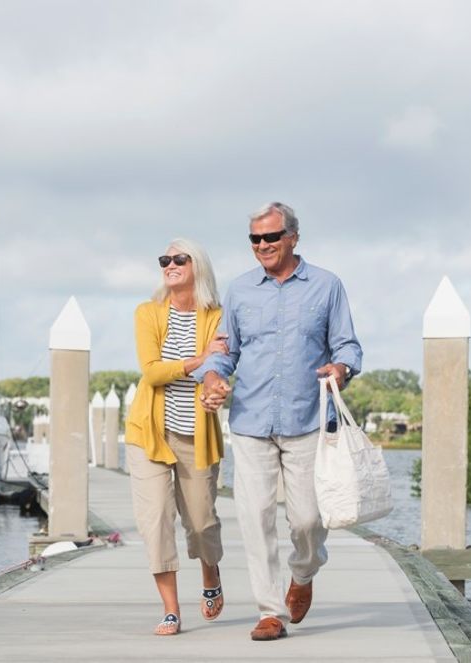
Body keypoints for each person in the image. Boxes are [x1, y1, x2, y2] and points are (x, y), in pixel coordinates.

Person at [194, 202, 362, 641]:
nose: (263, 245)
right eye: (255, 239)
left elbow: (347, 346)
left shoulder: (327, 286)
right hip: (250, 421)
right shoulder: (240, 291)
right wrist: (212, 376)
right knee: (255, 518)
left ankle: (303, 574)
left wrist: (340, 369)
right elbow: (224, 351)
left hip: (307, 419)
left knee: (307, 520)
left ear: (292, 237)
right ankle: (270, 611)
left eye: (271, 237)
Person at [124, 238, 229, 636]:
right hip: (148, 433)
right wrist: (199, 361)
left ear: (197, 267)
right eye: (164, 260)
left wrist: (214, 384)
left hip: (195, 435)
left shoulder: (217, 317)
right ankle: (171, 610)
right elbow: (151, 372)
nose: (169, 264)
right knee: (156, 522)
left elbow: (219, 366)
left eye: (178, 259)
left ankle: (210, 576)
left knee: (201, 522)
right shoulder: (147, 313)